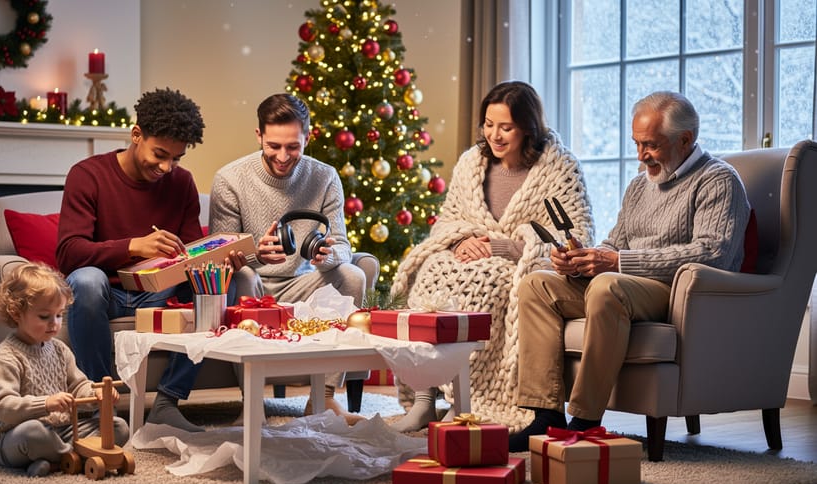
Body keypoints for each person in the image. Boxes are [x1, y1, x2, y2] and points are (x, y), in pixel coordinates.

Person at [508, 91, 751, 451]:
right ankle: (546, 416)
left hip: (674, 293)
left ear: (685, 140)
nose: (641, 156)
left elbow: (712, 252)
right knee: (537, 284)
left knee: (607, 287)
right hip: (624, 283)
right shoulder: (640, 185)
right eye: (637, 144)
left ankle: (586, 419)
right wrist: (583, 257)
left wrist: (618, 262)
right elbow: (615, 242)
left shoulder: (717, 180)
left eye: (650, 145)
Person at [388, 81, 594, 432]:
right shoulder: (471, 163)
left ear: (528, 127)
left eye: (506, 127)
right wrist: (458, 243)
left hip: (518, 265)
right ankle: (424, 400)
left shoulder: (559, 167)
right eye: (488, 124)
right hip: (466, 256)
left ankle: (466, 400)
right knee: (429, 272)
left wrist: (500, 248)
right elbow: (450, 220)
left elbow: (573, 238)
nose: (494, 135)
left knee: (489, 288)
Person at [210, 93, 367, 425]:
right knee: (245, 278)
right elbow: (219, 256)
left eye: (293, 147)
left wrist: (327, 255)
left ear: (307, 137)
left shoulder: (324, 177)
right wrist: (254, 254)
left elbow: (342, 245)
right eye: (273, 146)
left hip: (301, 283)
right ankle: (251, 404)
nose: (283, 156)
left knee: (353, 275)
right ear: (259, 137)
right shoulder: (229, 180)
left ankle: (321, 400)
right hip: (251, 285)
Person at [56, 88, 207, 432]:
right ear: (136, 135)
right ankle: (98, 406)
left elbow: (193, 250)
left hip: (158, 295)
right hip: (105, 296)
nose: (167, 167)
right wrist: (134, 246)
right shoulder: (87, 175)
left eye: (177, 158)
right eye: (160, 154)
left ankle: (167, 402)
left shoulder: (181, 184)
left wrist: (215, 262)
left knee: (212, 284)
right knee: (86, 281)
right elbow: (68, 253)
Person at [0, 263, 130, 477]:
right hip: (12, 437)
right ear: (16, 313)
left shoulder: (60, 349)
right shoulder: (7, 357)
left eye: (59, 315)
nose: (55, 324)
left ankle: (53, 460)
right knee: (33, 433)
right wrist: (46, 403)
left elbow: (78, 384)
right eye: (44, 317)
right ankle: (72, 458)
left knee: (118, 427)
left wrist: (95, 395)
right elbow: (4, 407)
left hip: (61, 430)